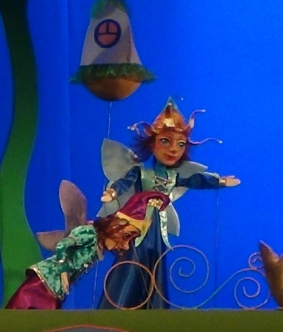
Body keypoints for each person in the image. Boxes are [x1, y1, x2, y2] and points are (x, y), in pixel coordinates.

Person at [96, 98, 239, 309]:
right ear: (152, 143)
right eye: (165, 141)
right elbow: (125, 182)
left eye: (180, 144)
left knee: (156, 262)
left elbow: (195, 180)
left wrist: (219, 181)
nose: (173, 150)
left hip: (158, 228)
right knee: (132, 259)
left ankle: (154, 307)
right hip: (138, 224)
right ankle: (119, 304)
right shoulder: (142, 172)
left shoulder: (173, 177)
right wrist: (113, 191)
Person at [6, 190, 170, 309]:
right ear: (116, 225)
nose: (126, 245)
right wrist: (63, 271)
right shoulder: (90, 233)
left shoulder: (98, 246)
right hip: (45, 281)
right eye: (126, 236)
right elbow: (63, 245)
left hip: (56, 289)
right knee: (25, 309)